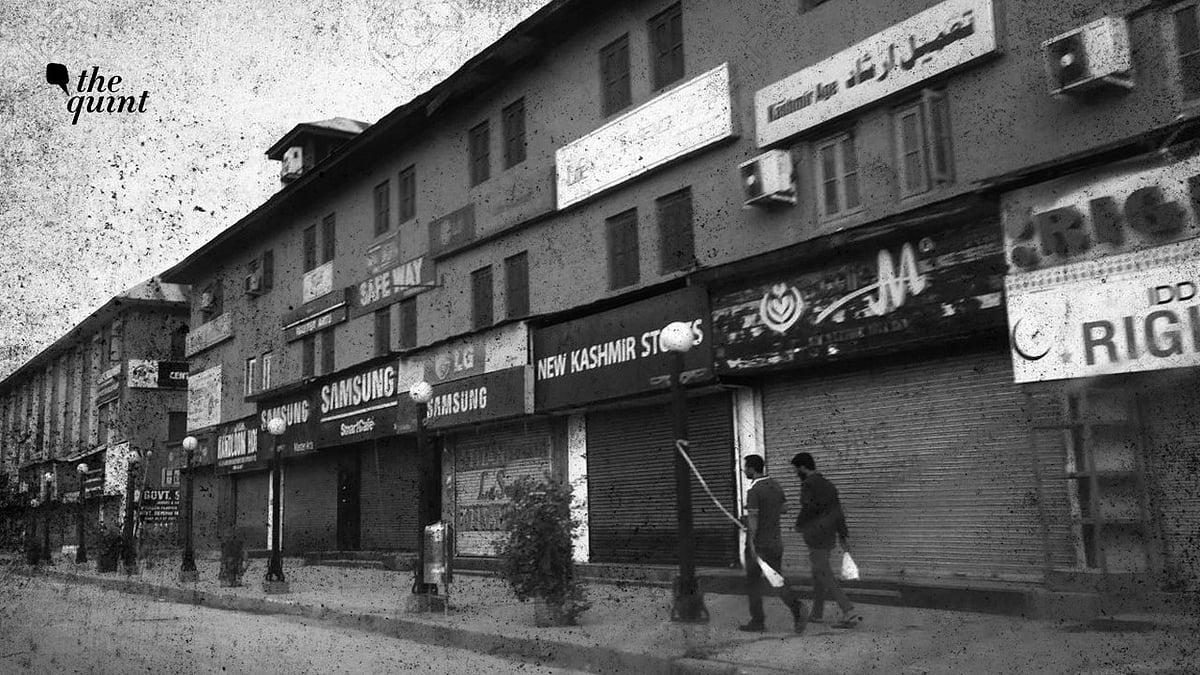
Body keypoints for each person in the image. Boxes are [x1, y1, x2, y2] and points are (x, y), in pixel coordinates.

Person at [791, 452, 861, 628]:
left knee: (823, 573)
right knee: (818, 573)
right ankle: (817, 613)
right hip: (829, 534)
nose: (795, 473)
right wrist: (843, 535)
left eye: (796, 469)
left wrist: (799, 524)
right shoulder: (829, 485)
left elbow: (808, 508)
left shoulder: (808, 484)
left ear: (803, 467)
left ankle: (849, 611)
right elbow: (838, 512)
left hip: (816, 535)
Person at [739, 454, 806, 634]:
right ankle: (796, 607)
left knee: (753, 583)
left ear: (752, 469)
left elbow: (753, 519)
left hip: (759, 545)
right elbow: (784, 508)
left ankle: (757, 621)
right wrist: (767, 511)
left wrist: (751, 543)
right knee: (777, 580)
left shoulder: (753, 491)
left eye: (745, 467)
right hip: (776, 543)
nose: (744, 470)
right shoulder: (774, 485)